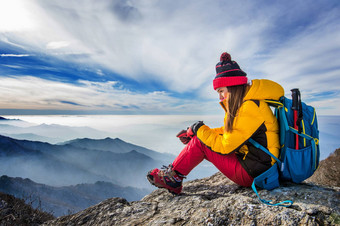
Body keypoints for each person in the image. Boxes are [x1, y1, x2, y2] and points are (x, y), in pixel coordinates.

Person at [147, 52, 284, 194]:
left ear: (232, 86)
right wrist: (198, 132)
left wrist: (200, 131)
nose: (219, 97)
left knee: (201, 142)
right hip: (256, 166)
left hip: (254, 173)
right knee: (201, 139)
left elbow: (226, 146)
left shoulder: (248, 108)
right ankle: (174, 176)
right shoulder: (248, 104)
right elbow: (229, 132)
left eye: (221, 91)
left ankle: (173, 179)